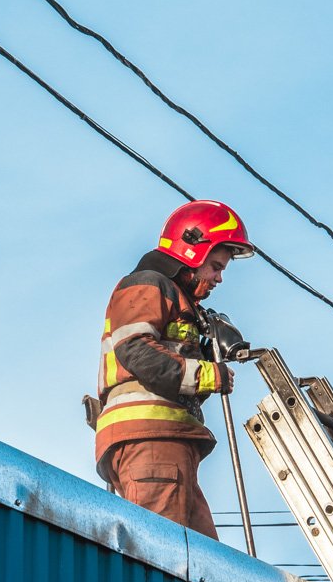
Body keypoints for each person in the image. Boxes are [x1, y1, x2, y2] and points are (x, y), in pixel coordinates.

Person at [94, 200, 254, 539]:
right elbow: (136, 350)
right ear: (192, 249)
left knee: (206, 564)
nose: (219, 278)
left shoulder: (180, 302)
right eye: (215, 266)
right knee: (163, 560)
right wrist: (210, 375)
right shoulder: (148, 284)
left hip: (169, 447)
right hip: (150, 443)